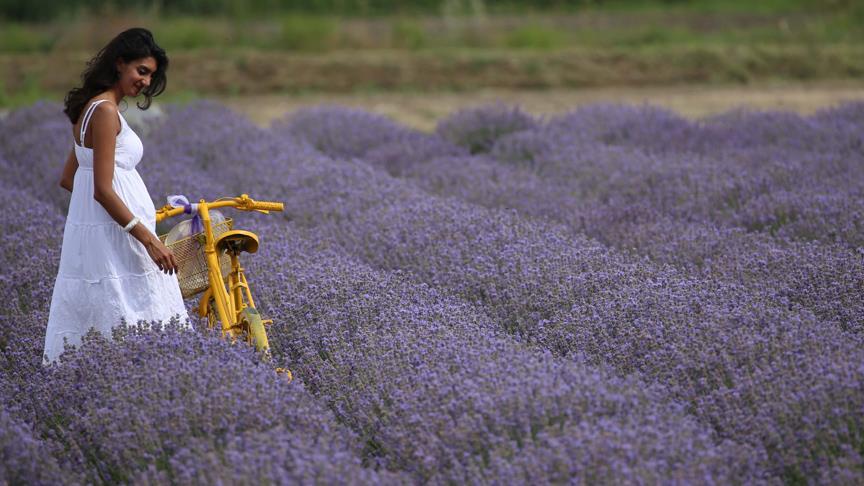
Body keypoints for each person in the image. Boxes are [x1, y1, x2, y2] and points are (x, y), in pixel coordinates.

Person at [43, 28, 189, 363]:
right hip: (124, 237)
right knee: (135, 315)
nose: (145, 82)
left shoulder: (90, 109)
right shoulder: (106, 112)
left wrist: (118, 210)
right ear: (120, 63)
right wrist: (148, 239)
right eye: (142, 71)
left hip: (111, 232)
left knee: (109, 316)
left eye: (150, 76)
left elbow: (70, 178)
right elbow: (103, 189)